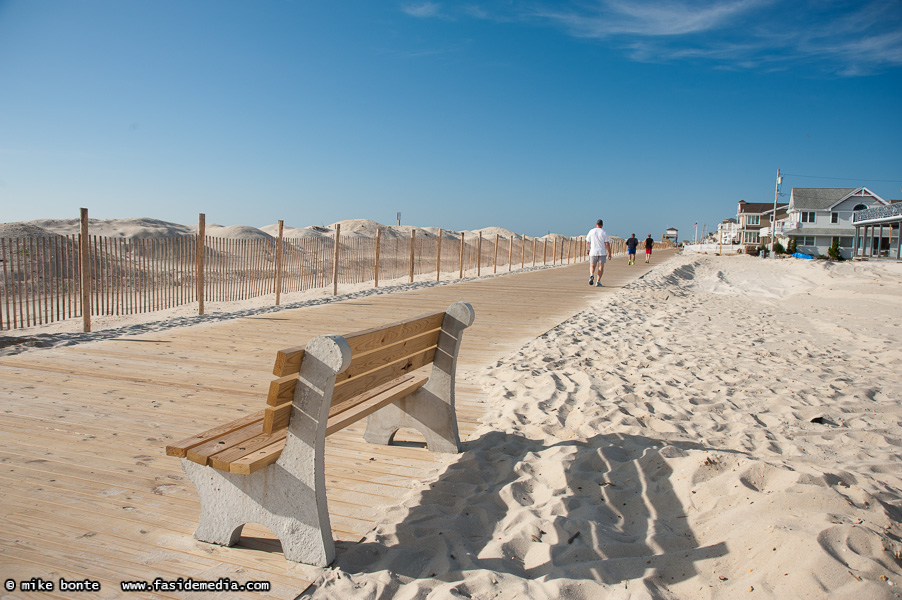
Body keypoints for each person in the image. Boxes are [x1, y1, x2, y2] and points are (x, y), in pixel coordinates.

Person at [586, 219, 612, 287]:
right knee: (601, 267)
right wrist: (609, 253)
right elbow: (607, 244)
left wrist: (588, 250)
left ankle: (591, 274)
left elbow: (588, 242)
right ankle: (598, 281)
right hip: (602, 252)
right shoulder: (604, 232)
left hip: (593, 251)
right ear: (602, 225)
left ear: (596, 224)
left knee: (592, 265)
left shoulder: (591, 231)